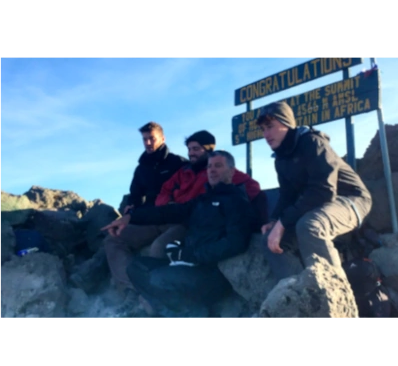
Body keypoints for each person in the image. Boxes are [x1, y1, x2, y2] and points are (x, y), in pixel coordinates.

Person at [113, 151, 253, 318]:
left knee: (158, 279)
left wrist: (189, 255)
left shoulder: (236, 200)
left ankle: (188, 314)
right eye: (209, 166)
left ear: (231, 171)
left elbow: (236, 243)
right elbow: (167, 213)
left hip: (212, 274)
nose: (212, 170)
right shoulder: (202, 200)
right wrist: (130, 217)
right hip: (189, 266)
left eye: (218, 166)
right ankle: (173, 312)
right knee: (136, 267)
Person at [254, 102, 371, 281]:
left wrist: (283, 222)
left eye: (270, 127)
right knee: (269, 239)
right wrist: (274, 220)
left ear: (286, 123)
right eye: (263, 129)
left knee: (310, 225)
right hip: (321, 204)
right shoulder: (280, 159)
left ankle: (334, 294)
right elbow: (287, 195)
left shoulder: (312, 142)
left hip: (351, 200)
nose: (265, 135)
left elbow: (323, 191)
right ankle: (297, 291)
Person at [100, 122, 187, 293]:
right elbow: (135, 195)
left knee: (158, 248)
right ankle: (134, 286)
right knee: (112, 239)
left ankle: (163, 292)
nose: (148, 143)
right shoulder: (141, 169)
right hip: (149, 220)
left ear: (162, 138)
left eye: (152, 139)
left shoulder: (178, 163)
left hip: (174, 219)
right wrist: (131, 208)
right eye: (144, 139)